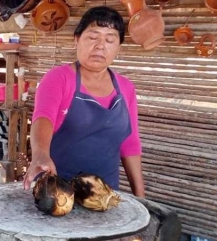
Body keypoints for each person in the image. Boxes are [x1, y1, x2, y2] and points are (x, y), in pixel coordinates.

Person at [23, 6, 145, 198]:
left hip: (105, 195)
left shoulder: (126, 88)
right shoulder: (58, 78)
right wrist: (40, 154)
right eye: (92, 37)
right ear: (76, 40)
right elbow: (43, 118)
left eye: (110, 39)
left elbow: (130, 143)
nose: (100, 45)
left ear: (118, 48)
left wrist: (141, 198)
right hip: (58, 193)